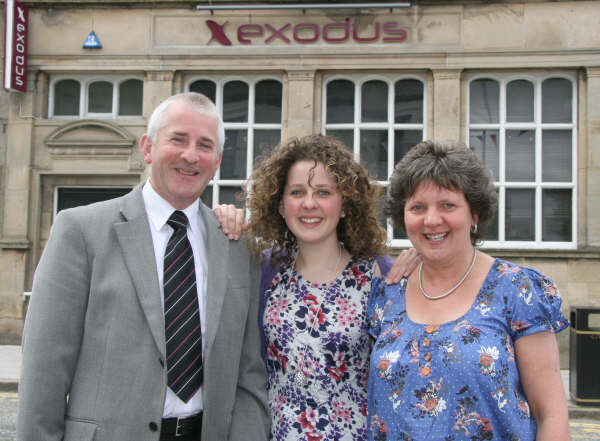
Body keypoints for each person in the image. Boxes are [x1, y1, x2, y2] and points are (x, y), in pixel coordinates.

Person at [17, 92, 269, 441]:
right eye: (178, 139)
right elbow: (44, 368)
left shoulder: (238, 246)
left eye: (205, 145)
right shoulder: (80, 231)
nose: (190, 155)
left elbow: (249, 374)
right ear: (148, 147)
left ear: (218, 161)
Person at [214, 134, 415, 441]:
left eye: (323, 192)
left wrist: (425, 260)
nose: (309, 203)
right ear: (280, 204)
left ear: (345, 204)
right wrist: (218, 222)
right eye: (297, 192)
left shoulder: (381, 274)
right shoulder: (262, 270)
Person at [367, 140, 570, 441]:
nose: (432, 220)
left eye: (447, 205)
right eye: (418, 207)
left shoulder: (517, 290)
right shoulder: (387, 294)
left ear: (474, 213)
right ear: (402, 216)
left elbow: (550, 413)